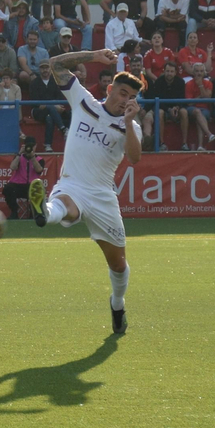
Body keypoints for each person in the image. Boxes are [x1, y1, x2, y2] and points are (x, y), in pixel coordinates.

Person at [26, 49, 143, 334]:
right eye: (122, 93)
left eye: (131, 97)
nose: (125, 100)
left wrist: (127, 122)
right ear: (110, 89)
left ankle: (117, 304)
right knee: (64, 205)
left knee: (119, 266)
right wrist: (93, 56)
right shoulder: (84, 102)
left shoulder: (131, 125)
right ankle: (44, 211)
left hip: (103, 195)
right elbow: (55, 65)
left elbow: (135, 158)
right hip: (73, 184)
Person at [1, 136, 46, 219]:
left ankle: (33, 214)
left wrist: (32, 157)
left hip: (32, 186)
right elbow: (13, 167)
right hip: (18, 185)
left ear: (35, 146)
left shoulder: (39, 159)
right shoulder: (19, 157)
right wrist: (19, 154)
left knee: (39, 191)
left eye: (32, 146)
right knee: (8, 189)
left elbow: (39, 170)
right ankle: (14, 212)